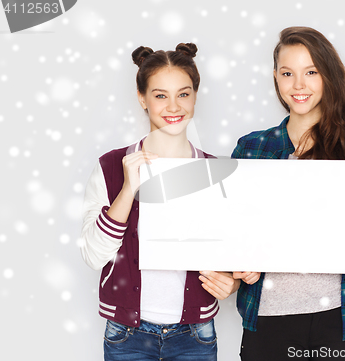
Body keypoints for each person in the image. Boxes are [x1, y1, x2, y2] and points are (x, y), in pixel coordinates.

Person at [232, 27, 345, 361]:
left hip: (342, 318)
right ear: (276, 77)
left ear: (328, 76)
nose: (299, 85)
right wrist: (239, 266)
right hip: (268, 317)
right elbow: (235, 237)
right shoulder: (252, 148)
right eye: (288, 73)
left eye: (311, 72)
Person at [80, 43, 240, 361]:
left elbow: (234, 256)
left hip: (195, 333)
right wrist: (128, 190)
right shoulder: (111, 166)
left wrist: (231, 283)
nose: (173, 106)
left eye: (183, 93)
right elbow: (93, 255)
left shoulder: (216, 171)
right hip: (127, 334)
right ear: (142, 98)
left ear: (195, 96)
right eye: (160, 95)